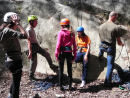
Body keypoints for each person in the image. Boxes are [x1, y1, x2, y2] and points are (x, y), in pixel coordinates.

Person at [0, 12, 31, 98]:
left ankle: (10, 95)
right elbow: (26, 36)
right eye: (17, 21)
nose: (18, 23)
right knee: (16, 85)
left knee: (15, 80)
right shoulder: (9, 31)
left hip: (10, 60)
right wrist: (19, 24)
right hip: (14, 61)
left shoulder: (5, 31)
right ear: (13, 22)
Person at [98, 11, 130, 86]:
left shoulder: (101, 26)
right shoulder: (115, 27)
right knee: (110, 65)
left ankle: (100, 55)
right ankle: (107, 83)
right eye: (116, 17)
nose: (116, 19)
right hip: (110, 48)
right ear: (113, 16)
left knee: (102, 48)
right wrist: (121, 44)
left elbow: (100, 37)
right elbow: (118, 41)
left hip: (102, 46)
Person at [26, 15, 58, 80]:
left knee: (46, 54)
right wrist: (30, 51)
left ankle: (52, 66)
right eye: (35, 21)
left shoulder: (31, 29)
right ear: (31, 22)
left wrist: (38, 46)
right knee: (34, 62)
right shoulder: (28, 30)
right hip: (33, 46)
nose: (37, 23)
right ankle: (31, 76)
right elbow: (29, 41)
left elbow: (33, 39)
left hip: (35, 46)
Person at [55, 18, 77, 90]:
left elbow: (58, 44)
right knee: (69, 70)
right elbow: (74, 45)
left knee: (61, 70)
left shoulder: (61, 32)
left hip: (62, 52)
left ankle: (61, 87)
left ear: (62, 25)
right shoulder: (72, 33)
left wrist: (56, 54)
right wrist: (74, 56)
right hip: (69, 53)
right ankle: (70, 86)